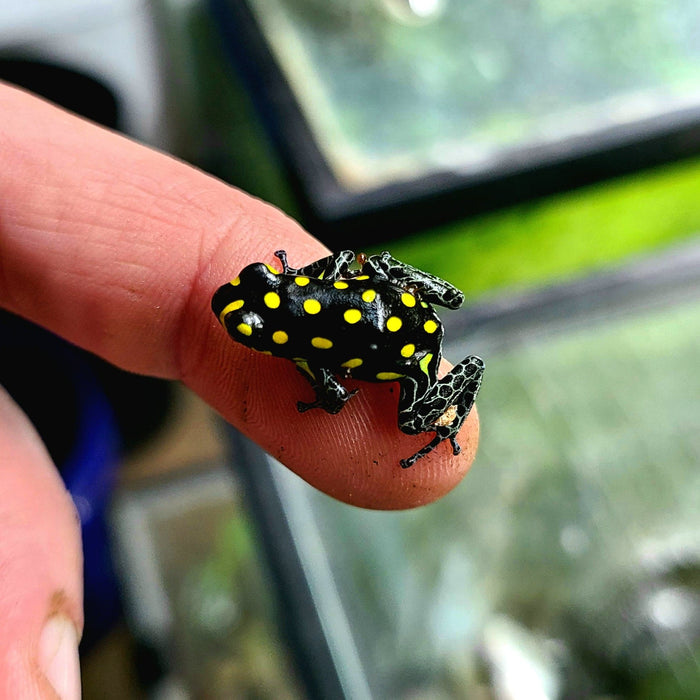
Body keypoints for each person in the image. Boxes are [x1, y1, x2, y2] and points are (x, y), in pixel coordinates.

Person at [0, 82, 479, 699]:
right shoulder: (307, 288)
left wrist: (313, 377)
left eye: (254, 322)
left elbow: (335, 399)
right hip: (398, 306)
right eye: (258, 288)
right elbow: (338, 283)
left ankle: (458, 390)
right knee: (368, 286)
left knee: (413, 426)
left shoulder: (308, 331)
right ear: (275, 279)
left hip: (410, 354)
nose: (240, 308)